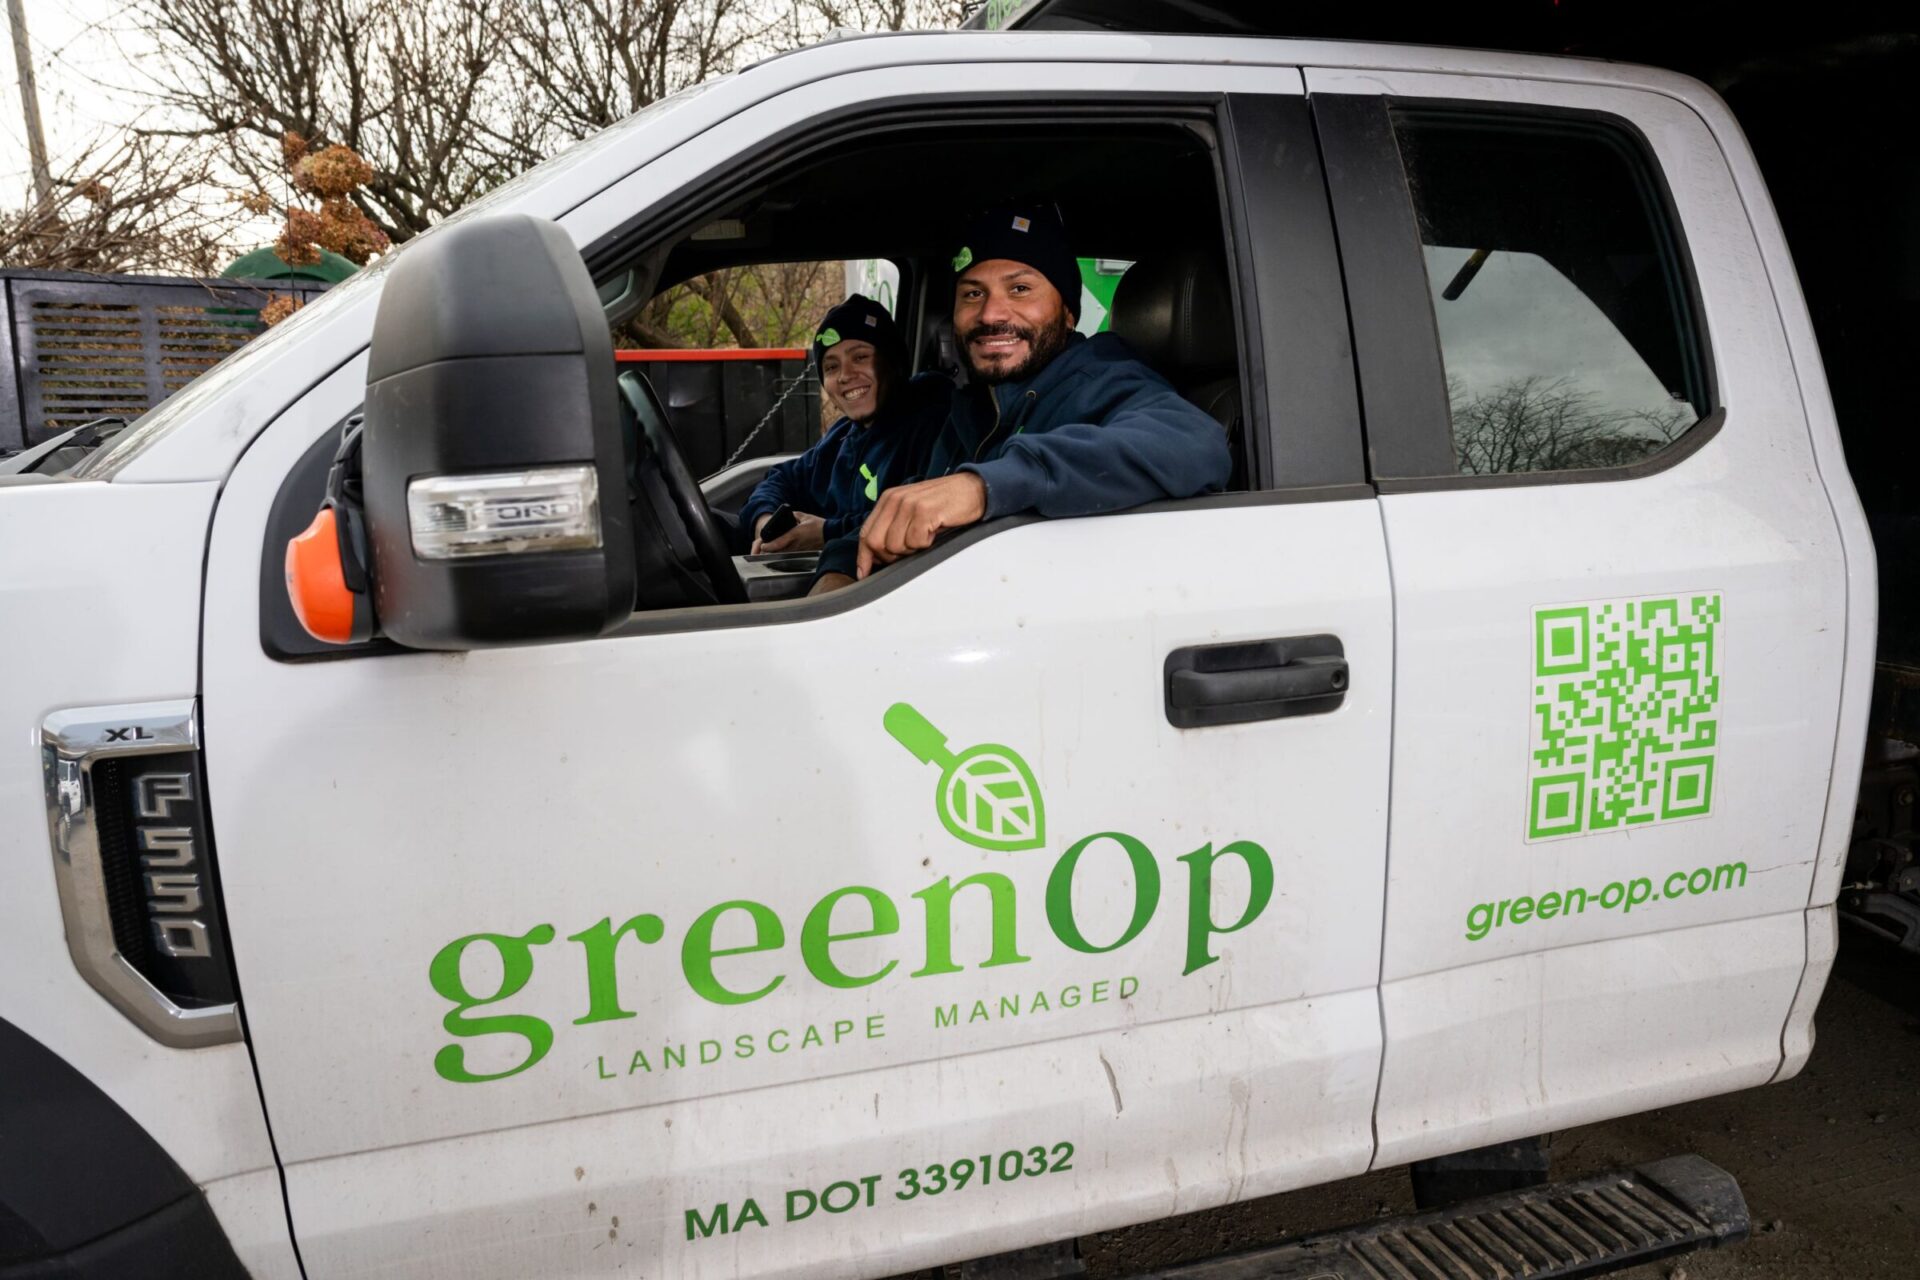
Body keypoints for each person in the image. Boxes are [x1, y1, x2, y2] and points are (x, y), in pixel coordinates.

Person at [812, 207, 1232, 591]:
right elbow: (917, 493)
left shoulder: (1102, 376)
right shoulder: (974, 408)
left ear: (1067, 312)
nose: (992, 314)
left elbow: (1195, 441)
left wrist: (983, 486)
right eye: (973, 294)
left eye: (1019, 289)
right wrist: (841, 563)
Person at [736, 294, 949, 557]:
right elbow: (782, 478)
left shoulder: (932, 427)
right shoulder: (844, 434)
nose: (845, 376)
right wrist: (764, 523)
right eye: (832, 366)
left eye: (860, 357)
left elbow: (919, 518)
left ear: (893, 362)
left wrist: (826, 533)